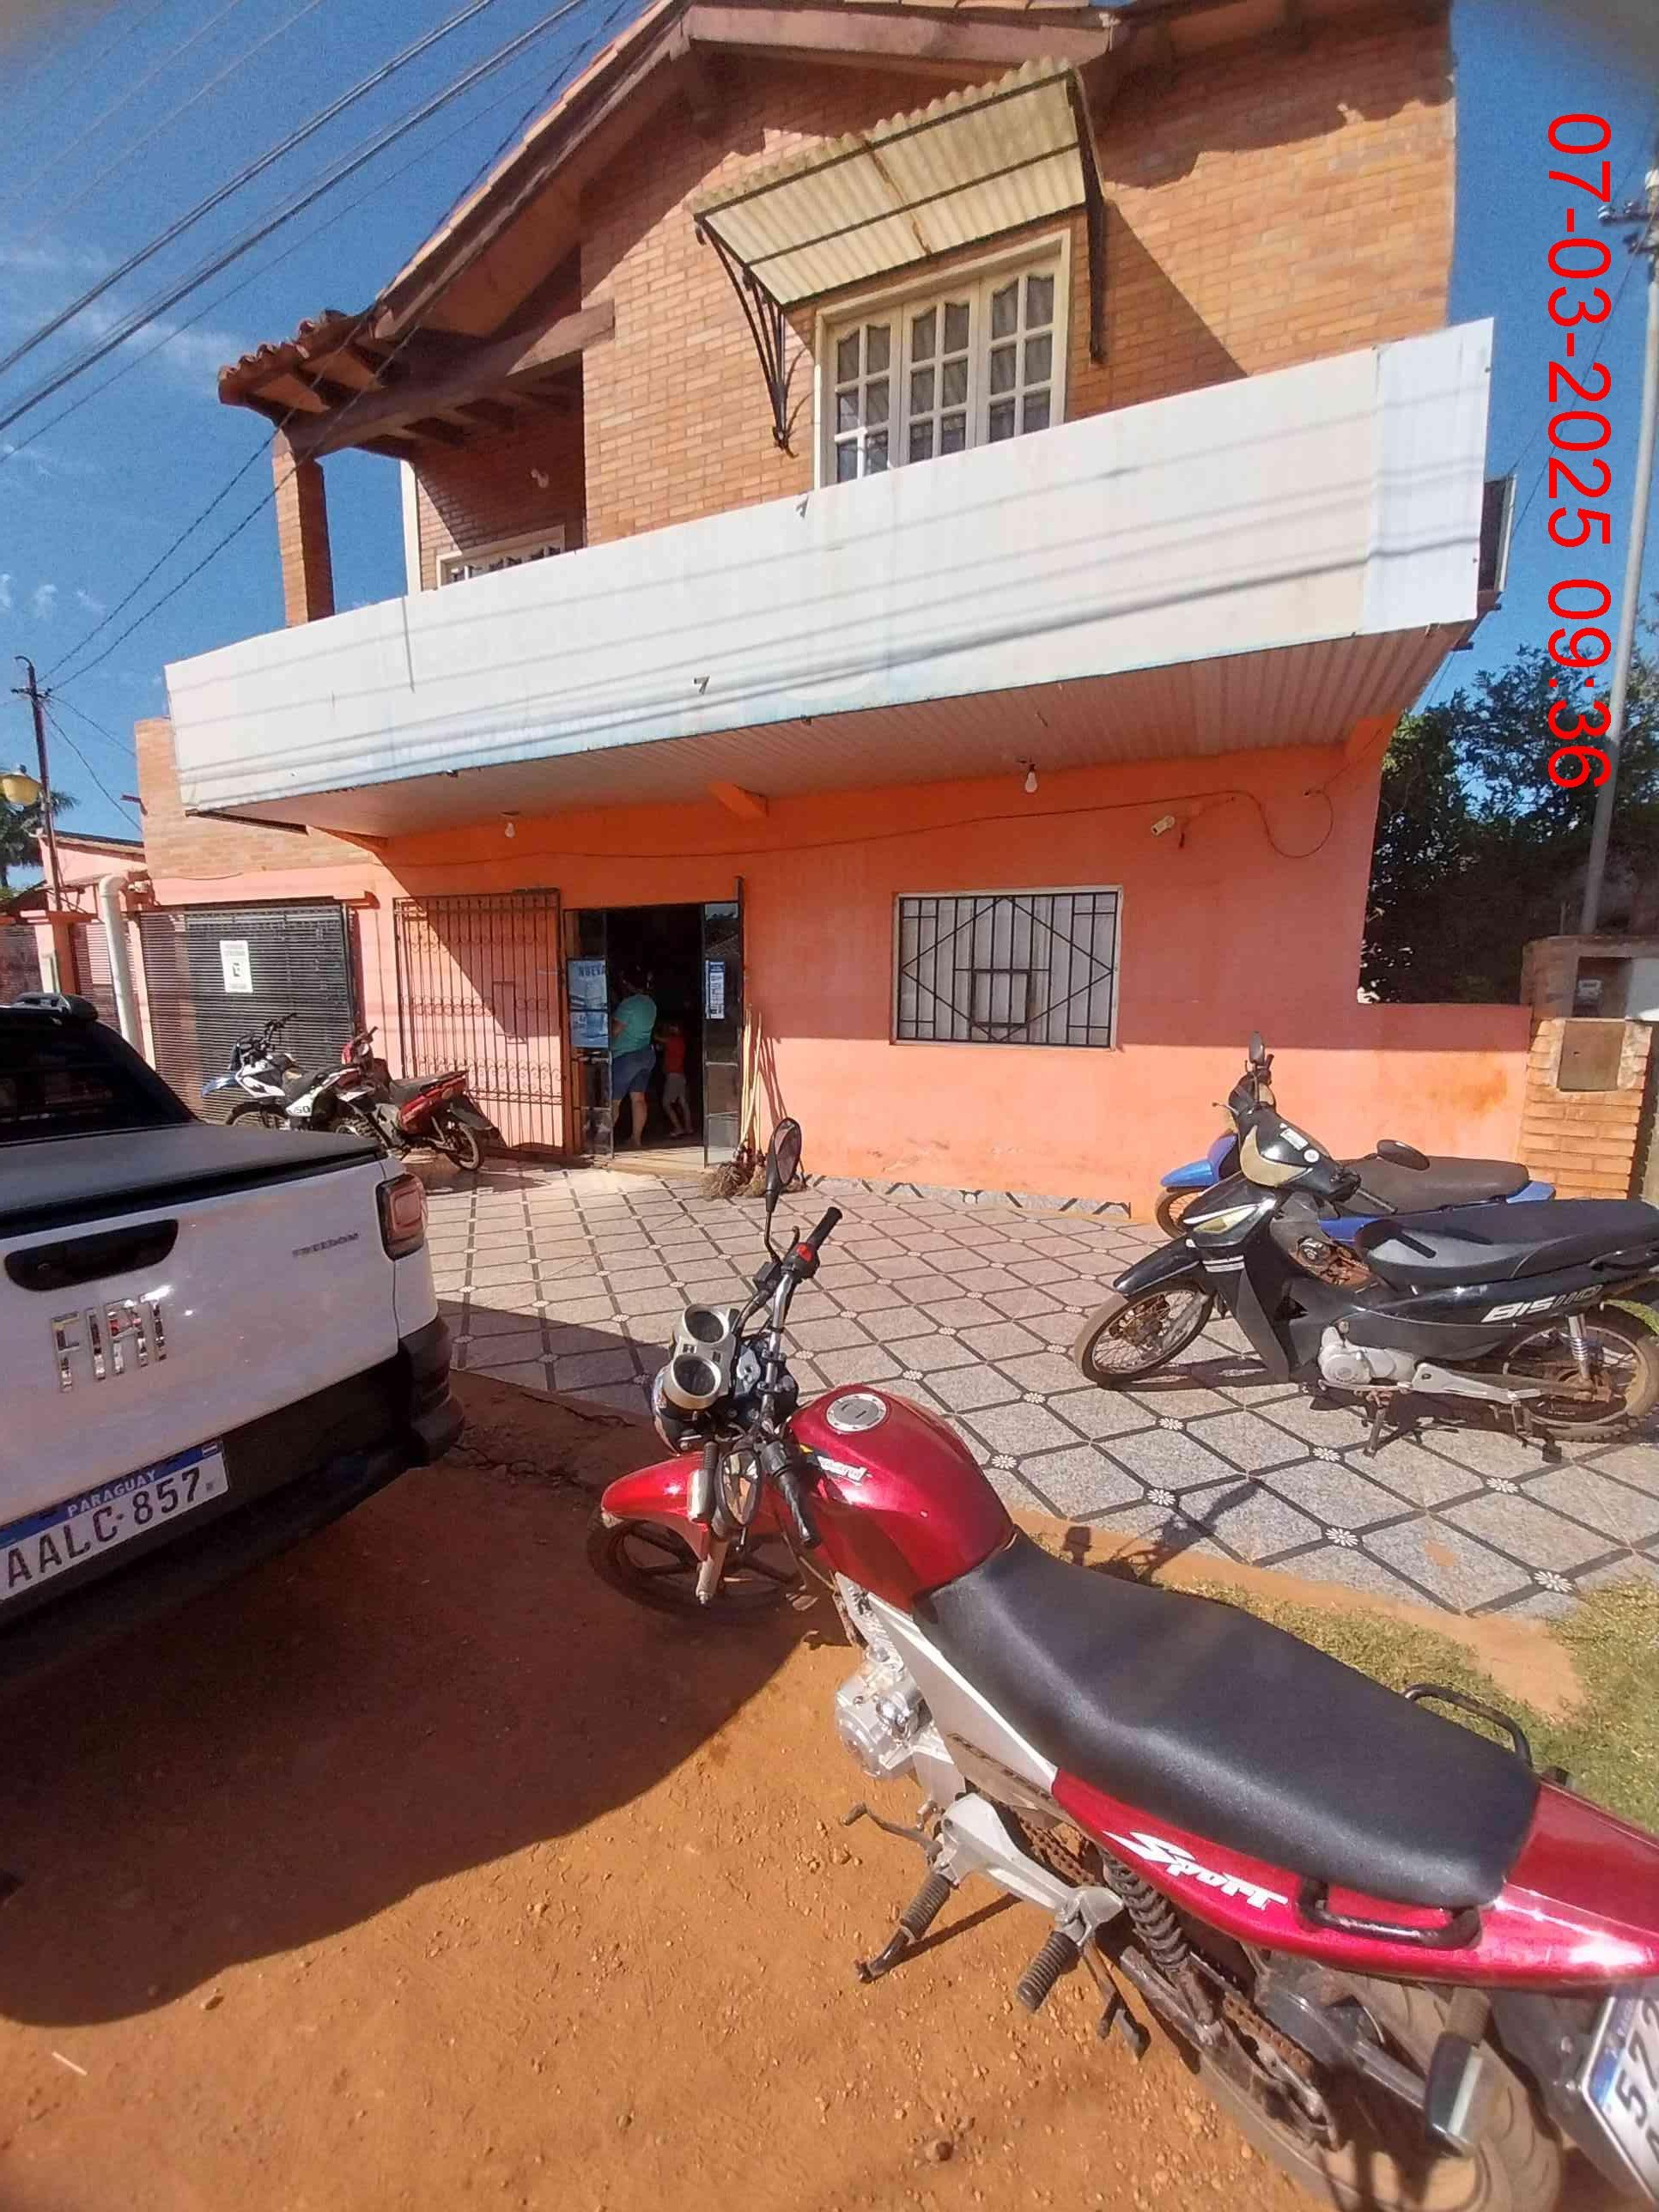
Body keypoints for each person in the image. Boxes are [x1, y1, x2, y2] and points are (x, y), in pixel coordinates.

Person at [609, 972, 658, 1149]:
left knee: (614, 1101)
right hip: (646, 1055)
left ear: (628, 985)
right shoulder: (651, 1004)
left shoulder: (628, 1004)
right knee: (638, 1099)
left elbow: (615, 1030)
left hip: (626, 1056)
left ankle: (603, 1142)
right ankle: (636, 1139)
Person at [657, 1018, 693, 1139]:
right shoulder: (680, 1041)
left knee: (666, 1103)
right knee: (683, 1103)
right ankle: (689, 1127)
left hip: (673, 1076)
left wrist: (654, 1031)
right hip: (680, 1075)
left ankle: (678, 1128)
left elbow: (659, 1039)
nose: (671, 1029)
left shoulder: (673, 1040)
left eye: (673, 1027)